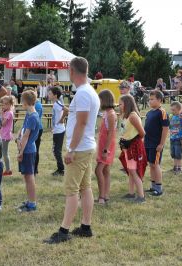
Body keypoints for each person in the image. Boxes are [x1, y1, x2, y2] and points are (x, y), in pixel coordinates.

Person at [44, 57, 100, 244]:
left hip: (80, 148)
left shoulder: (83, 93)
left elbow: (82, 123)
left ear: (72, 71)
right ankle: (85, 226)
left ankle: (64, 230)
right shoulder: (88, 91)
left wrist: (72, 149)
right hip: (86, 146)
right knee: (85, 187)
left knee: (71, 190)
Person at [118, 95, 147, 203]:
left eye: (120, 104)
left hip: (134, 147)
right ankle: (131, 193)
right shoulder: (126, 116)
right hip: (127, 147)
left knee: (134, 171)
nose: (119, 106)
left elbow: (142, 133)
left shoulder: (133, 116)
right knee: (130, 170)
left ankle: (141, 196)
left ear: (127, 104)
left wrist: (131, 141)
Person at [16, 90, 40, 212]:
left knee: (30, 177)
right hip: (25, 149)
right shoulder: (29, 114)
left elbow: (26, 136)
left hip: (28, 150)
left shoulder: (33, 117)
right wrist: (18, 135)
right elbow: (23, 129)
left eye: (22, 101)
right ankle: (30, 200)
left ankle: (32, 204)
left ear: (25, 102)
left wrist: (21, 152)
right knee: (26, 176)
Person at [144, 90, 169, 196]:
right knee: (151, 164)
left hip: (156, 144)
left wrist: (161, 144)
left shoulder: (162, 112)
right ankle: (153, 186)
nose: (150, 101)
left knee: (156, 164)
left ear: (159, 100)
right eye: (149, 99)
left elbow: (165, 128)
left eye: (152, 99)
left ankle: (158, 188)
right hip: (147, 143)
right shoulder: (149, 113)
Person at [95, 90, 117, 205]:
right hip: (104, 145)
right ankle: (106, 195)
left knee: (98, 170)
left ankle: (102, 196)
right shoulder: (107, 113)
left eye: (100, 100)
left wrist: (105, 150)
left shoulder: (111, 114)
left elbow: (111, 133)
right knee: (106, 170)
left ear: (105, 100)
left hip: (107, 147)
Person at [48, 86, 68, 176]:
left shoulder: (57, 103)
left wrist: (62, 119)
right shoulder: (55, 103)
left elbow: (67, 110)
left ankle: (61, 170)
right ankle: (60, 169)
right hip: (57, 130)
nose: (48, 95)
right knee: (55, 150)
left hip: (60, 131)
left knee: (57, 151)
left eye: (50, 94)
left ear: (55, 95)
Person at [169, 101, 182, 174]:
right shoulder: (171, 116)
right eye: (171, 110)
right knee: (173, 153)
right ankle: (175, 166)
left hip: (178, 138)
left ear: (179, 110)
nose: (172, 111)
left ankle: (179, 167)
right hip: (172, 138)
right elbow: (170, 126)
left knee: (178, 153)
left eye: (174, 110)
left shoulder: (181, 116)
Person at [0, 95, 15, 176]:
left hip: (5, 136)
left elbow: (3, 124)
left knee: (4, 153)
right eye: (2, 104)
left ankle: (8, 170)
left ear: (10, 105)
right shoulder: (6, 112)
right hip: (3, 135)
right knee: (3, 153)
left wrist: (1, 114)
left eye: (5, 104)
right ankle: (7, 169)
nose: (3, 106)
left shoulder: (8, 113)